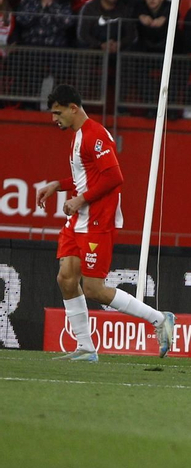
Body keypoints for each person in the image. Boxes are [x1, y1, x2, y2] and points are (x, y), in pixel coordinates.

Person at [39, 82, 176, 362]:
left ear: (73, 108)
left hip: (98, 221)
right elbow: (86, 178)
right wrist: (58, 185)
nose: (54, 119)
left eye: (57, 112)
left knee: (94, 289)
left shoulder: (95, 135)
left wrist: (80, 200)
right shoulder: (78, 137)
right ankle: (86, 348)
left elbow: (114, 177)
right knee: (66, 278)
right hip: (79, 220)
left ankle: (160, 319)